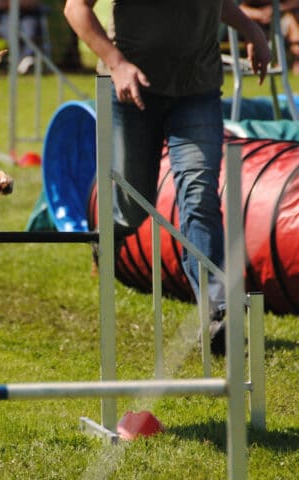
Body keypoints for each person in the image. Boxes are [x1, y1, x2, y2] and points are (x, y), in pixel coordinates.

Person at [63, 0, 271, 355]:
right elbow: (75, 9)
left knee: (199, 193)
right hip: (130, 90)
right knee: (132, 207)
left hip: (197, 91)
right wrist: (117, 63)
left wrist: (251, 30)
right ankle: (104, 236)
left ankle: (217, 312)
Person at [0, 0, 49, 74]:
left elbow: (32, 3)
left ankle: (26, 59)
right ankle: (22, 61)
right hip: (2, 19)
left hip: (27, 16)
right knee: (13, 32)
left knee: (29, 30)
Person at [240, 0, 299, 74]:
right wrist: (259, 14)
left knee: (291, 21)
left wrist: (275, 9)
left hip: (276, 22)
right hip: (254, 25)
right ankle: (268, 62)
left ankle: (296, 59)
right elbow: (236, 8)